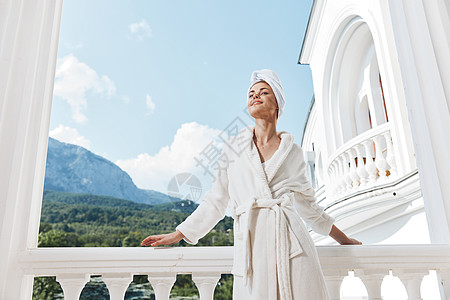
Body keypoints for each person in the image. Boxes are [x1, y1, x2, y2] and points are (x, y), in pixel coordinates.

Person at [141, 69, 362, 299]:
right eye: (251, 94)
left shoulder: (293, 153)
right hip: (252, 252)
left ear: (277, 103)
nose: (255, 96)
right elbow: (216, 202)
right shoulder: (233, 148)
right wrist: (179, 234)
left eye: (263, 92)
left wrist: (344, 240)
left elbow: (309, 208)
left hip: (294, 251)